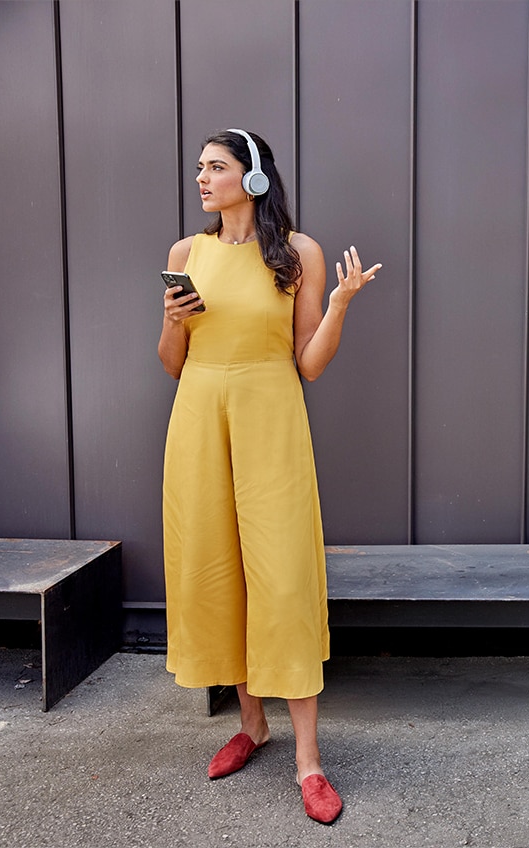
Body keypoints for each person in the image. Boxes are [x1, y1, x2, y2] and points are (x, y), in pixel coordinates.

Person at [158, 128, 381, 825]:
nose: (202, 178)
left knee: (281, 577)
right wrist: (172, 319)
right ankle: (252, 725)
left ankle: (309, 760)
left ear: (252, 177)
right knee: (216, 569)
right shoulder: (184, 254)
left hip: (270, 416)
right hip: (198, 414)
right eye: (199, 169)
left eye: (216, 167)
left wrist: (340, 303)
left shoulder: (299, 253)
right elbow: (172, 362)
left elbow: (308, 363)